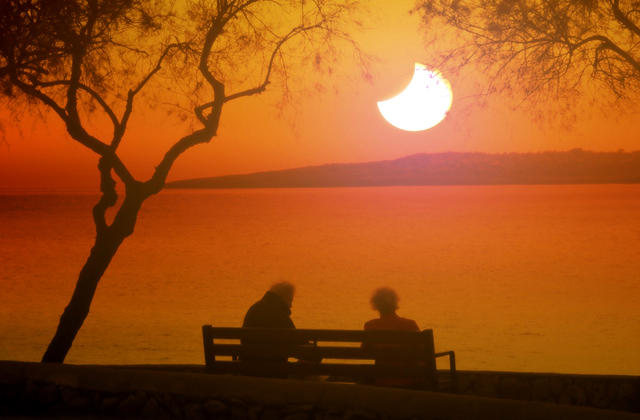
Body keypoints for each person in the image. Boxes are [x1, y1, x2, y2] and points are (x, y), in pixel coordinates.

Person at [363, 287, 423, 388]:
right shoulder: (410, 325)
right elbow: (422, 351)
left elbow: (365, 350)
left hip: (382, 378)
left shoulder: (370, 326)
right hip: (409, 378)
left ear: (376, 305)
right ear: (395, 304)